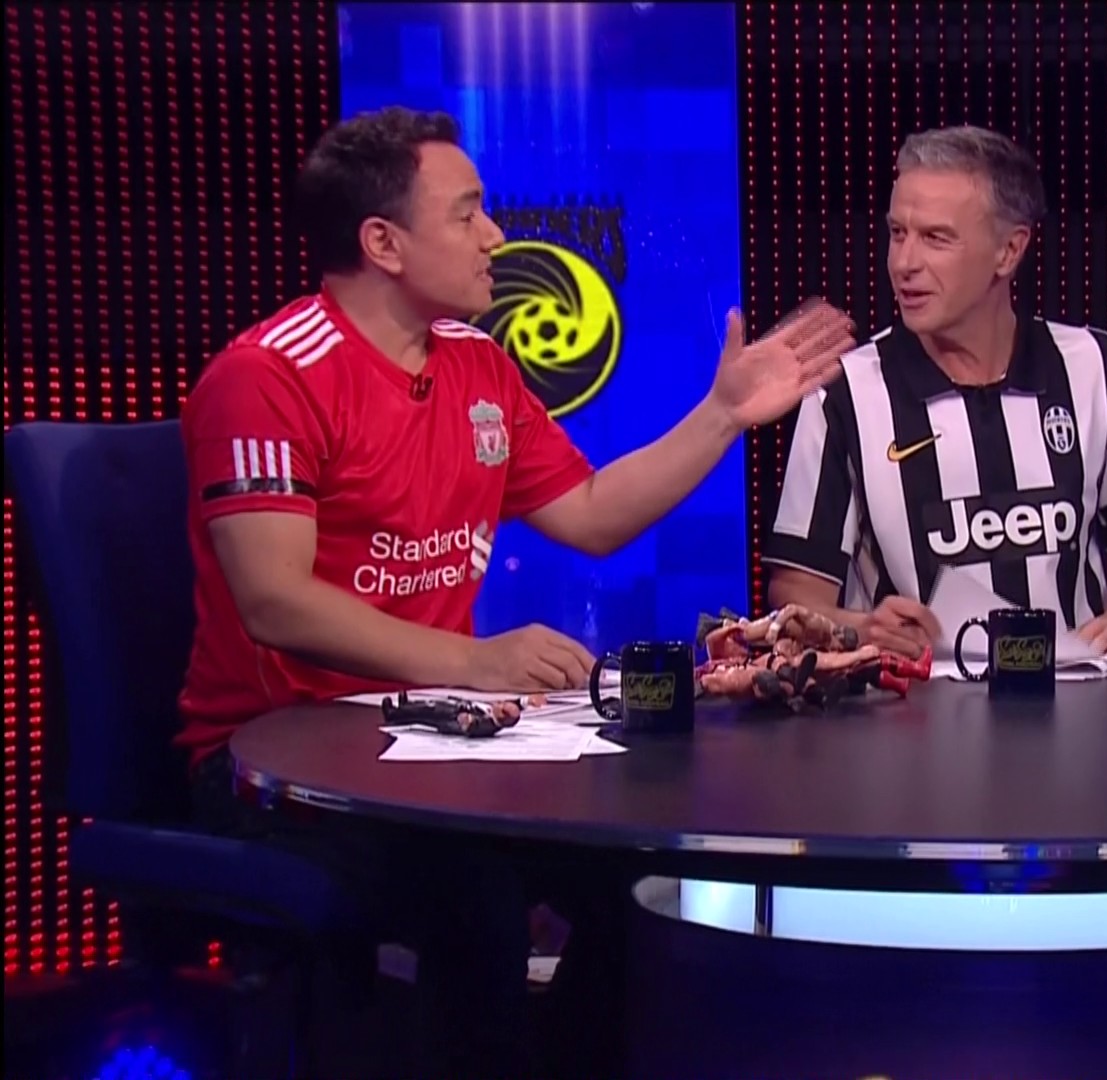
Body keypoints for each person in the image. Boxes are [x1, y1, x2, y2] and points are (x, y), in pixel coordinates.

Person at [178, 105, 853, 1077]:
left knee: (649, 872)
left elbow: (592, 513)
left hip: (441, 744)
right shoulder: (268, 375)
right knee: (477, 895)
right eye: (467, 213)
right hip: (279, 763)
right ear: (383, 242)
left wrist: (722, 415)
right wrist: (475, 660)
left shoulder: (477, 362)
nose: (495, 234)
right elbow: (274, 600)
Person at [765, 125, 1107, 661]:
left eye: (936, 238)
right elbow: (797, 593)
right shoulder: (844, 391)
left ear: (1009, 251)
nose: (904, 263)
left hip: (1082, 697)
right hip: (911, 703)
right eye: (898, 233)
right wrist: (863, 630)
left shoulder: (1094, 366)